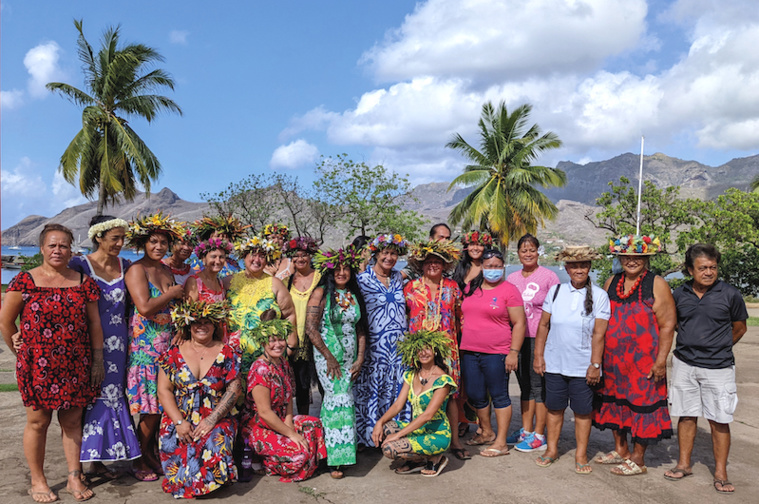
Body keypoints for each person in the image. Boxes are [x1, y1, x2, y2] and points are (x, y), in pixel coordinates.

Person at [0, 224, 104, 502]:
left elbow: (95, 324)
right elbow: (6, 321)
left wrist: (97, 360)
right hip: (37, 366)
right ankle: (38, 480)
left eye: (64, 246)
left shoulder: (84, 282)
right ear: (42, 248)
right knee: (38, 422)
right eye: (52, 245)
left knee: (72, 421)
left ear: (71, 250)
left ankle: (73, 477)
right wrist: (19, 351)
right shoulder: (24, 281)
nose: (58, 250)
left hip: (76, 363)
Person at [664, 244, 747, 494]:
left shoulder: (730, 294)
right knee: (686, 414)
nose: (709, 272)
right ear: (690, 270)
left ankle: (721, 473)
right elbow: (674, 323)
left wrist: (719, 346)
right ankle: (683, 464)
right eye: (702, 268)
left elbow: (740, 327)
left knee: (719, 418)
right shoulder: (679, 294)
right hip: (684, 364)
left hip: (719, 367)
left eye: (713, 267)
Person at [593, 235, 676, 476]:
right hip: (614, 361)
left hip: (644, 364)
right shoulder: (612, 282)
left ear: (646, 258)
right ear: (620, 257)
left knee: (642, 407)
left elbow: (668, 326)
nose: (631, 261)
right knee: (616, 404)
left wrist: (661, 362)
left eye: (637, 256)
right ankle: (621, 450)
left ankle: (638, 459)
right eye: (627, 256)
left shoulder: (657, 284)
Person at [70, 216, 141, 479]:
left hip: (120, 343)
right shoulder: (79, 265)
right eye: (115, 238)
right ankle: (82, 463)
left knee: (113, 395)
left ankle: (99, 460)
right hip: (87, 343)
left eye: (123, 238)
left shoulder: (127, 266)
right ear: (98, 237)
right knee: (87, 397)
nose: (120, 243)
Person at [533, 245, 610, 474]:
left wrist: (595, 365)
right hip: (555, 363)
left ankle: (580, 454)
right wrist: (539, 356)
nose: (579, 269)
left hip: (582, 366)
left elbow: (599, 333)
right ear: (567, 268)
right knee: (554, 409)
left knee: (582, 412)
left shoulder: (600, 296)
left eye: (583, 265)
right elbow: (543, 326)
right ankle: (552, 450)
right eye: (574, 265)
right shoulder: (556, 292)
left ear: (589, 268)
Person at [157, 299, 241, 498]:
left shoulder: (228, 352)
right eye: (197, 321)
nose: (202, 326)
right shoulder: (173, 353)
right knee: (180, 457)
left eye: (207, 322)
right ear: (188, 324)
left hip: (215, 415)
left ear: (215, 324)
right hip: (180, 415)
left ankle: (210, 480)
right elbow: (164, 391)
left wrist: (212, 420)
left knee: (214, 440)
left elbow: (234, 389)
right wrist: (179, 422)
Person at [124, 213, 186, 481]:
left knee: (163, 406)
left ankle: (150, 452)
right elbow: (145, 307)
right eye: (153, 241)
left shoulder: (166, 270)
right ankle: (140, 457)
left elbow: (173, 309)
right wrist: (172, 293)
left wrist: (182, 327)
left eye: (163, 242)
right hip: (146, 346)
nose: (159, 246)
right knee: (149, 410)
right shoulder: (137, 269)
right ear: (143, 243)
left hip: (167, 346)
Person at [404, 239, 471, 460]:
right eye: (428, 262)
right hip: (419, 351)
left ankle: (454, 440)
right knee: (418, 393)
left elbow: (461, 318)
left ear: (444, 266)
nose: (433, 265)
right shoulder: (411, 288)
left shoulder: (452, 287)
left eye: (438, 262)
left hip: (447, 350)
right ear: (421, 265)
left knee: (449, 395)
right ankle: (420, 438)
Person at [306, 246, 368, 478]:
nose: (342, 272)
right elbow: (310, 329)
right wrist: (329, 357)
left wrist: (360, 357)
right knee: (335, 399)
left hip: (351, 358)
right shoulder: (321, 293)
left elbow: (360, 329)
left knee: (347, 399)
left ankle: (340, 452)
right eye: (337, 269)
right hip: (327, 357)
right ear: (330, 272)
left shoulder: (353, 295)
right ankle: (334, 460)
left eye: (346, 269)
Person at [241, 314, 327, 482]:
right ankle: (265, 461)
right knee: (299, 454)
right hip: (259, 428)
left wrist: (289, 424)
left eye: (280, 339)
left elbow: (288, 399)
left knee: (315, 425)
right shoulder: (260, 370)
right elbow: (264, 413)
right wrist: (291, 434)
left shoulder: (283, 363)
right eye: (271, 340)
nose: (277, 344)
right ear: (263, 342)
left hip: (279, 421)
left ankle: (304, 457)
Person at [459, 248, 526, 457]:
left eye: (497, 266)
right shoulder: (472, 286)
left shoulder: (509, 290)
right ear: (482, 267)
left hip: (497, 352)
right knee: (475, 393)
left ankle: (501, 442)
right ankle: (486, 431)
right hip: (469, 350)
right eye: (489, 266)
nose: (493, 270)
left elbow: (520, 323)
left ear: (503, 267)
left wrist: (513, 352)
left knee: (499, 395)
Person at [371, 330, 456, 477]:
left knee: (389, 449)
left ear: (435, 351)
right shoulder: (411, 375)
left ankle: (436, 457)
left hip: (437, 434)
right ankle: (419, 461)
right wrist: (379, 422)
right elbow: (398, 405)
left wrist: (398, 436)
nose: (423, 352)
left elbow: (428, 416)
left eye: (427, 348)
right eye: (419, 349)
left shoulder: (443, 380)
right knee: (387, 428)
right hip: (419, 430)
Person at [354, 233, 411, 446]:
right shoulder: (361, 279)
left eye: (394, 253)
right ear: (376, 254)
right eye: (385, 253)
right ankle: (368, 437)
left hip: (398, 349)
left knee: (394, 388)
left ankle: (391, 433)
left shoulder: (398, 277)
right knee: (371, 389)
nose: (389, 257)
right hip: (373, 348)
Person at [505, 234, 560, 452]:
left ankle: (539, 434)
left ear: (538, 252)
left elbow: (556, 310)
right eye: (523, 250)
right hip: (518, 339)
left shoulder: (549, 277)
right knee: (524, 385)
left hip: (540, 339)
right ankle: (526, 430)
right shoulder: (513, 279)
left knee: (539, 387)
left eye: (532, 250)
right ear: (517, 254)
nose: (528, 254)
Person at [223, 235, 297, 376]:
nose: (257, 260)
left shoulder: (275, 283)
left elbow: (289, 314)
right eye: (253, 255)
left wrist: (291, 345)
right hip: (233, 356)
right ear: (244, 256)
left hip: (266, 357)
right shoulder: (228, 282)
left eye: (262, 256)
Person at [283, 236, 321, 415]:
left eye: (304, 255)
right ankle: (305, 423)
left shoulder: (321, 278)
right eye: (296, 256)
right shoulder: (288, 282)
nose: (300, 259)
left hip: (320, 339)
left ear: (311, 255)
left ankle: (327, 425)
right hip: (297, 341)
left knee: (324, 384)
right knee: (301, 385)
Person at [183, 237, 234, 343]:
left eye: (221, 257)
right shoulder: (195, 282)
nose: (218, 261)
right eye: (213, 257)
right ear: (203, 259)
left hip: (219, 337)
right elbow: (189, 315)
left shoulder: (220, 282)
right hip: (203, 338)